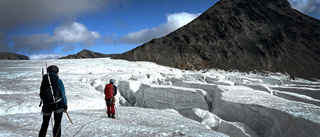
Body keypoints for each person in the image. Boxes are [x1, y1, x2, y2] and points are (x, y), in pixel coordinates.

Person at [39, 65, 67, 137]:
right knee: (57, 124)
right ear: (56, 72)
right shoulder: (58, 80)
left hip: (47, 105)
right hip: (58, 104)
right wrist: (65, 105)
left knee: (45, 124)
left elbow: (41, 93)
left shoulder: (44, 80)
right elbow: (62, 93)